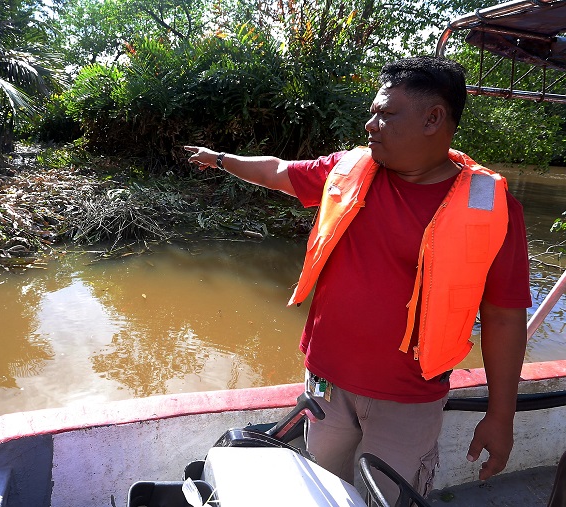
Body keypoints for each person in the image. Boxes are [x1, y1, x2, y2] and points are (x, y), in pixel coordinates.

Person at [185, 56, 531, 503]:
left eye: (386, 114)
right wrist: (220, 159)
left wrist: (501, 415)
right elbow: (276, 171)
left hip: (407, 400)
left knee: (385, 498)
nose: (370, 124)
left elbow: (504, 318)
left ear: (433, 119)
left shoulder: (493, 208)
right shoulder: (350, 171)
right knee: (320, 492)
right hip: (325, 385)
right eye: (372, 112)